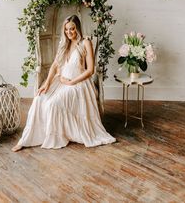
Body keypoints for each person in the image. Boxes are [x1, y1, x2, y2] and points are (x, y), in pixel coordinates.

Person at [12, 15, 116, 152]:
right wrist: (47, 83)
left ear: (78, 28)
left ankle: (57, 135)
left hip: (79, 83)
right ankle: (26, 139)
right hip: (61, 80)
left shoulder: (86, 42)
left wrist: (72, 81)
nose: (69, 32)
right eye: (66, 30)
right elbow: (55, 65)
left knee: (53, 104)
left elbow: (90, 70)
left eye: (72, 29)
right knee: (39, 98)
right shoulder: (64, 43)